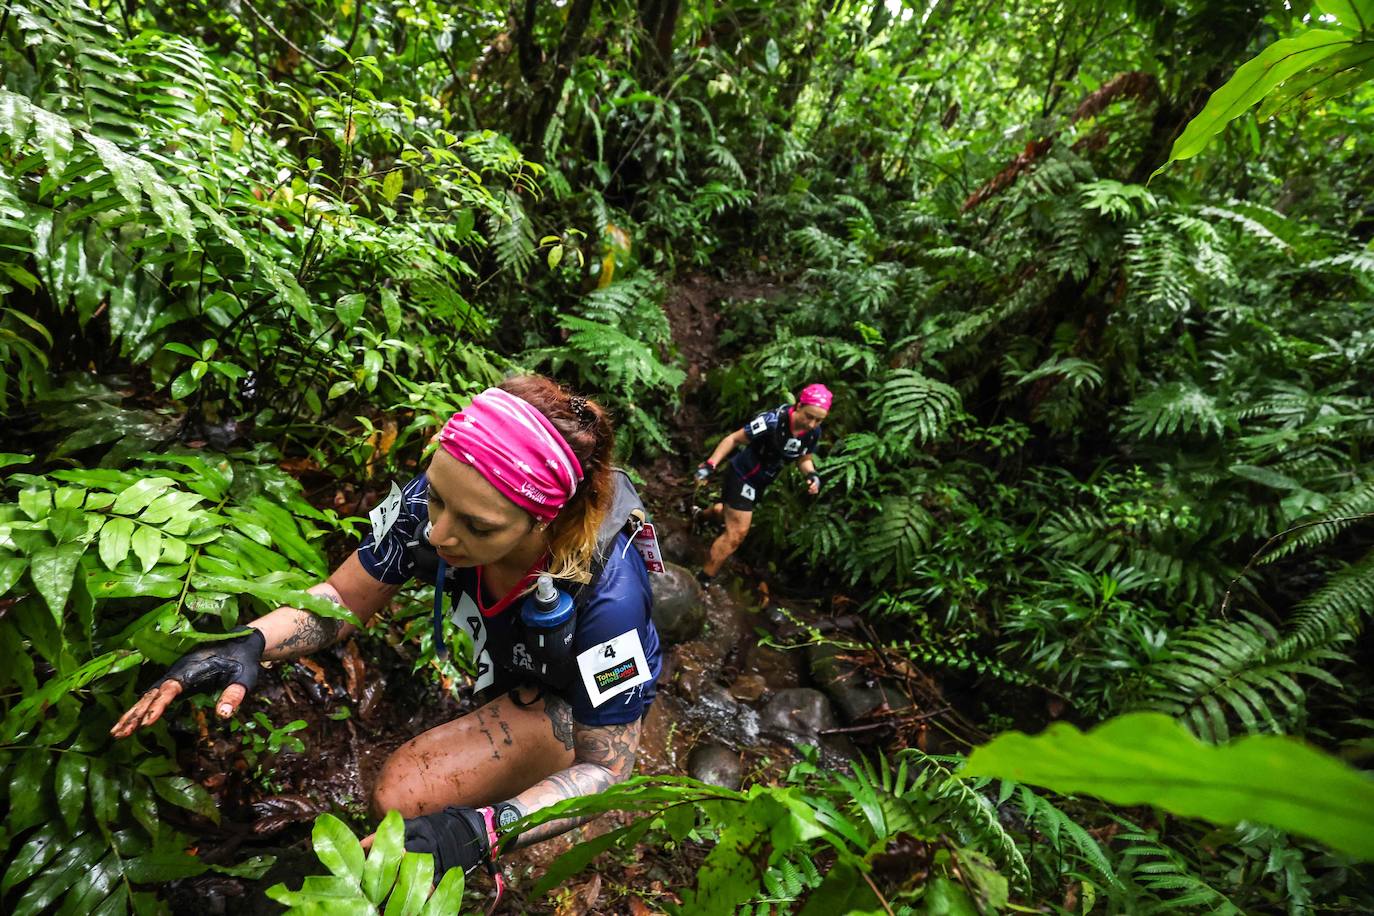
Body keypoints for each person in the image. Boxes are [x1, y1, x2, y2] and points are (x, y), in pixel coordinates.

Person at [111, 376, 661, 890]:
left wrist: (484, 830)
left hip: (567, 696)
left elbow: (607, 765)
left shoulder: (609, 599)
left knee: (405, 799)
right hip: (513, 660)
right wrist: (250, 641)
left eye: (477, 525)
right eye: (440, 500)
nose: (438, 534)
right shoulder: (434, 504)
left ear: (544, 519)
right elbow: (345, 597)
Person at [693, 383, 832, 586]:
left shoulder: (813, 433)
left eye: (818, 420)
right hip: (741, 475)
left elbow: (804, 458)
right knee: (737, 532)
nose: (812, 424)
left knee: (727, 512)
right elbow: (733, 439)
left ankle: (701, 517)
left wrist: (812, 475)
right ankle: (702, 580)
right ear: (799, 406)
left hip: (760, 483)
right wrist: (710, 464)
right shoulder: (772, 422)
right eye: (809, 416)